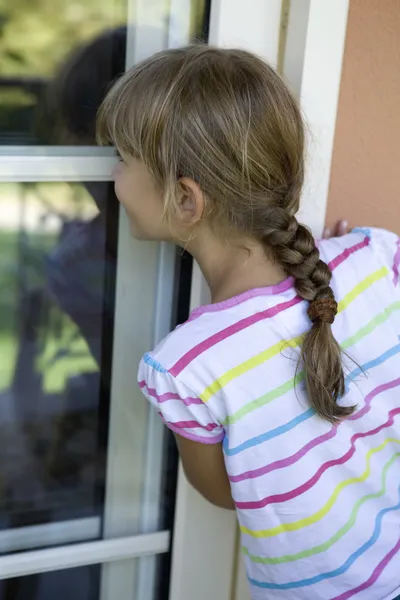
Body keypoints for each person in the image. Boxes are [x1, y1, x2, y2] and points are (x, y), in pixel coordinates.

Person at [97, 45, 400, 600]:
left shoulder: (187, 366)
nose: (111, 173)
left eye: (121, 156)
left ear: (186, 200)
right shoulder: (377, 258)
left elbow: (224, 492)